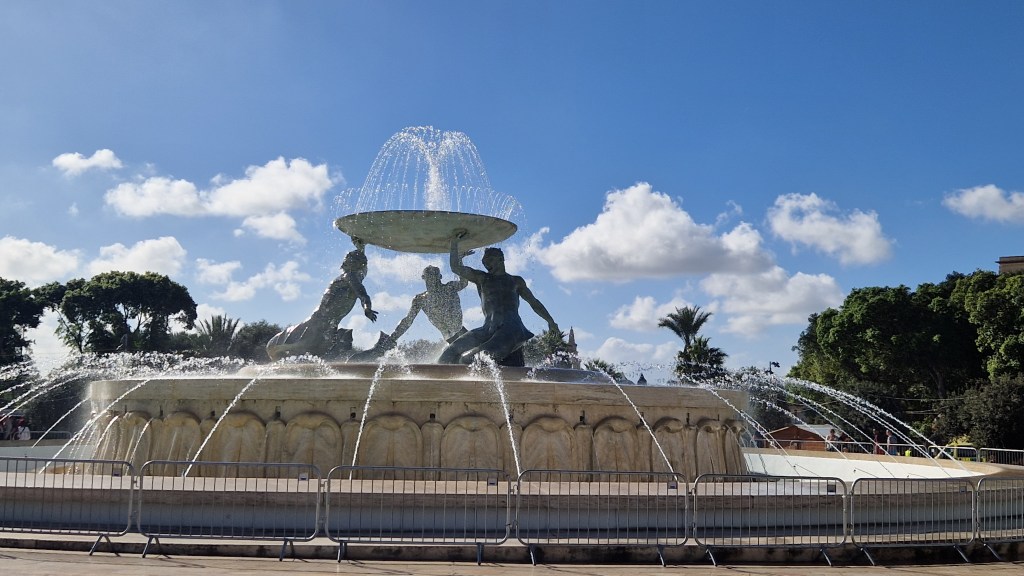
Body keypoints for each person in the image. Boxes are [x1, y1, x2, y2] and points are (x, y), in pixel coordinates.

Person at [438, 234, 558, 367]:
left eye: (490, 260)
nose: (486, 264)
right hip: (487, 329)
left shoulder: (515, 281)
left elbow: (534, 303)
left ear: (501, 259)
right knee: (447, 356)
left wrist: (551, 321)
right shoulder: (482, 278)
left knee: (470, 359)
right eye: (484, 262)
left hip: (511, 329)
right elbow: (456, 268)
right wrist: (454, 244)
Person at [266, 238, 378, 360]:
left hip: (328, 324)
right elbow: (363, 294)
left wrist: (361, 248)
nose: (345, 261)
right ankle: (280, 355)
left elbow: (363, 288)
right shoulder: (349, 276)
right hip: (320, 321)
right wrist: (367, 308)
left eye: (349, 259)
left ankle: (283, 357)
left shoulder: (355, 276)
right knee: (303, 345)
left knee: (315, 351)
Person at [390, 264, 470, 343]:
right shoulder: (420, 299)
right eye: (430, 275)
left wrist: (458, 263)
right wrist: (392, 338)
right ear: (423, 277)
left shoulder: (450, 288)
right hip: (450, 340)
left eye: (434, 275)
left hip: (462, 334)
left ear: (440, 276)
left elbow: (464, 282)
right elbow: (407, 320)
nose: (432, 278)